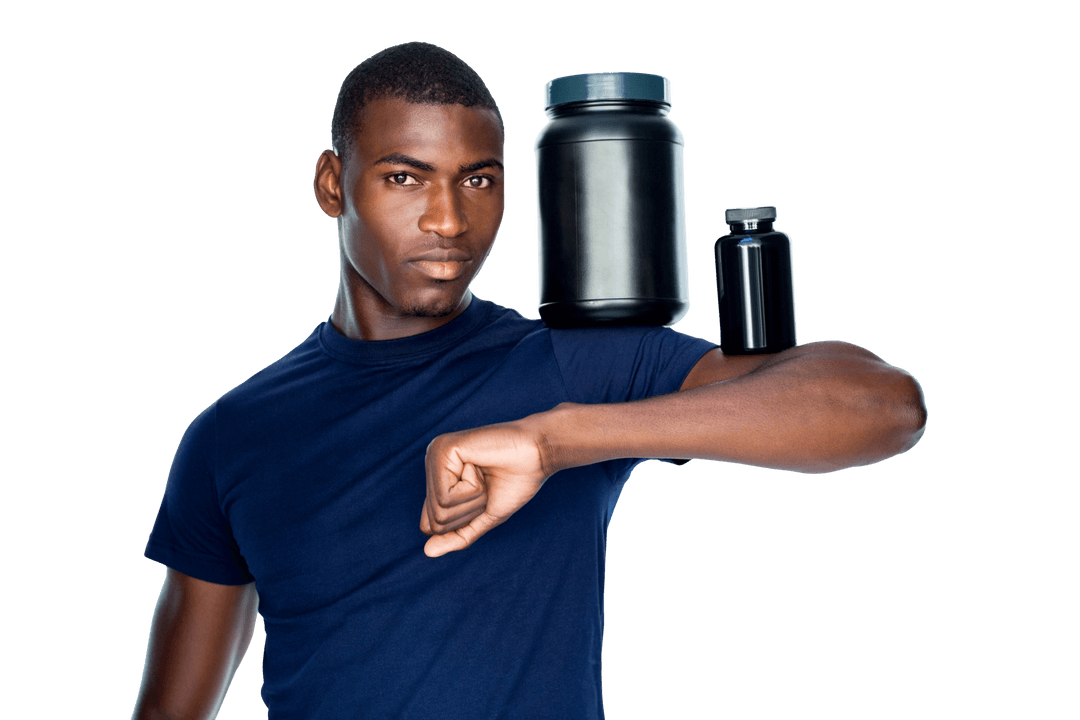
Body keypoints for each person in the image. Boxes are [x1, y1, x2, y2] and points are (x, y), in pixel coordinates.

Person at [130, 41, 926, 720]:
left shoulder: (572, 364)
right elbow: (170, 710)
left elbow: (881, 406)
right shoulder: (232, 435)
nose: (448, 220)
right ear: (334, 184)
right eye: (406, 178)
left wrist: (558, 438)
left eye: (477, 179)